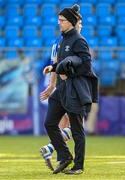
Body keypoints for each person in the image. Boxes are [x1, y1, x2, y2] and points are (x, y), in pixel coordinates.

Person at [41, 5, 99, 175]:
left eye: (62, 20)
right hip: (61, 89)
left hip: (74, 89)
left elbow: (86, 66)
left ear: (72, 22)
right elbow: (65, 62)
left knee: (77, 129)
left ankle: (78, 166)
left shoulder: (79, 40)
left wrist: (68, 72)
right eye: (59, 20)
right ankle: (65, 156)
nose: (59, 23)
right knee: (50, 123)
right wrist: (53, 67)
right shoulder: (63, 39)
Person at [40, 4, 82, 171]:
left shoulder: (61, 41)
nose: (81, 26)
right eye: (80, 23)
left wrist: (52, 86)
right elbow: (57, 65)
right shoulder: (69, 41)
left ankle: (59, 157)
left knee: (64, 125)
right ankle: (52, 150)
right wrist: (52, 85)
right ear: (74, 23)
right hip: (71, 89)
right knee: (75, 126)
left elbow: (55, 65)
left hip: (63, 88)